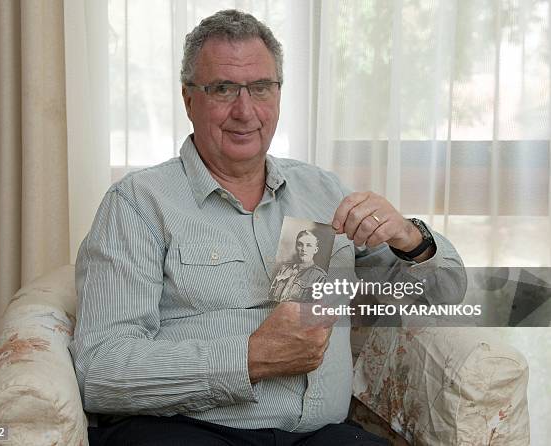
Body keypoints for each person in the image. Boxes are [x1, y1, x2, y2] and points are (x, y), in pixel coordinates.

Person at [70, 9, 466, 445]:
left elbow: (442, 296)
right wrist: (249, 359)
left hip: (322, 436)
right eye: (223, 89)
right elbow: (101, 370)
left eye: (260, 88)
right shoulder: (139, 205)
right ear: (189, 100)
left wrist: (411, 240)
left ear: (278, 94)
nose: (245, 111)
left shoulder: (321, 192)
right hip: (187, 430)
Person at [270, 230, 327, 302]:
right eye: (300, 244)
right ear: (296, 247)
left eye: (308, 245)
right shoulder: (284, 269)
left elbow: (315, 309)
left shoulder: (320, 277)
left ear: (315, 250)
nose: (303, 249)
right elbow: (270, 296)